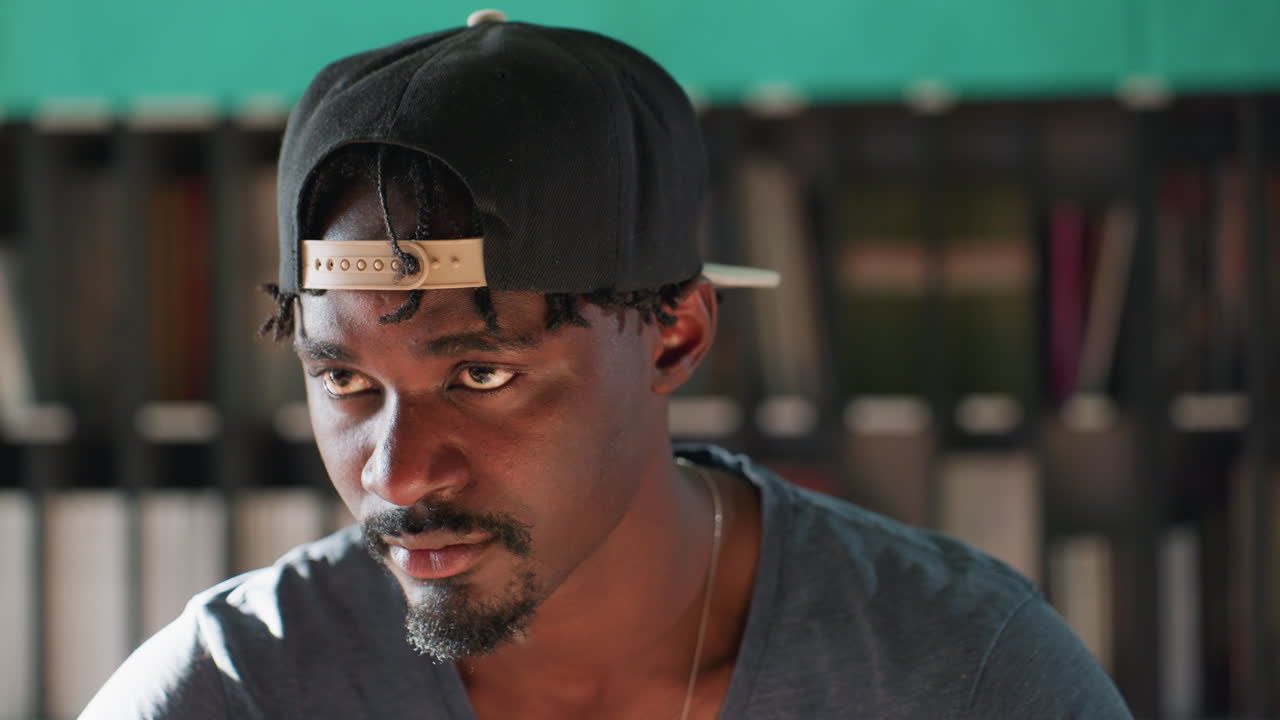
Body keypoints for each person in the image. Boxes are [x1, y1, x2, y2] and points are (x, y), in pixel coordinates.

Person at [83, 10, 1133, 719]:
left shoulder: (955, 674)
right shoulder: (237, 691)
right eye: (347, 382)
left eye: (481, 375)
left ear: (674, 336)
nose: (394, 478)